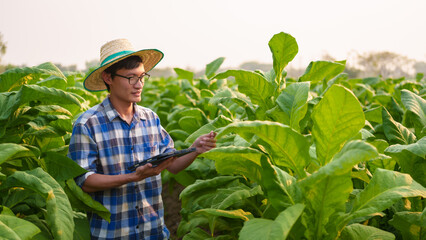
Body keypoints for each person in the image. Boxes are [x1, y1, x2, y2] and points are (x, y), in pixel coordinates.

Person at [68, 39, 217, 239]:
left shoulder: (150, 119)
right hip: (113, 233)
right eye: (131, 78)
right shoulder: (88, 124)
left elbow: (171, 164)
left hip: (153, 231)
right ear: (108, 77)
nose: (139, 85)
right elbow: (85, 181)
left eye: (142, 77)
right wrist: (133, 177)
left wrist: (194, 149)